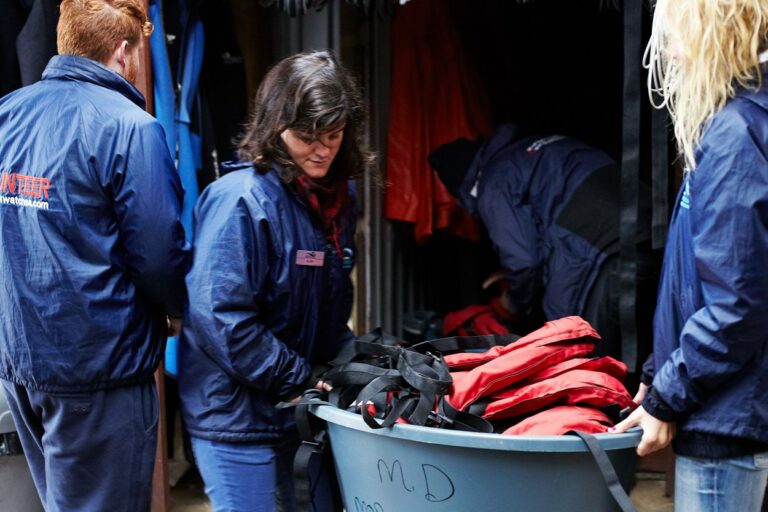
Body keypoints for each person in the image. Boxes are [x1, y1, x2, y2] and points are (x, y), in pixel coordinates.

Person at [0, 0, 190, 510]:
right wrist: (175, 310)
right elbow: (158, 252)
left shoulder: (7, 114)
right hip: (99, 372)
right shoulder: (132, 127)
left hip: (22, 363)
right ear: (123, 52)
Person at [178, 50, 373, 512]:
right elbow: (222, 317)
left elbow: (332, 300)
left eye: (334, 134)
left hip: (301, 410)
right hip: (235, 419)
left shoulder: (339, 195)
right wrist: (299, 376)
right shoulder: (239, 202)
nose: (323, 149)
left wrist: (353, 366)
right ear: (275, 127)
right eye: (307, 137)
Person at [613, 1, 768, 510]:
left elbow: (735, 306)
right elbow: (699, 281)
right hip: (723, 411)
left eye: (676, 36)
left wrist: (669, 393)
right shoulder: (738, 124)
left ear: (712, 35)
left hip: (725, 423)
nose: (670, 53)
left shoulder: (736, 134)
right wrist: (659, 374)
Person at [429, 125, 656, 373]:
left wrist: (513, 303)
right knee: (644, 345)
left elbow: (523, 261)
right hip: (651, 233)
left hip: (602, 252)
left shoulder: (494, 181)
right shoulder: (532, 150)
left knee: (576, 356)